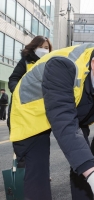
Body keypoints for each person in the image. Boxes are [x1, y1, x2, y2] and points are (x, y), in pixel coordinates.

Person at [9, 37, 94, 200]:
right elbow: (63, 120)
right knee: (37, 173)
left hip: (72, 111)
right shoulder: (62, 65)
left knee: (85, 161)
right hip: (30, 114)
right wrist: (91, 173)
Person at [8, 36, 52, 169]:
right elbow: (13, 80)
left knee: (41, 146)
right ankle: (23, 173)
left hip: (41, 114)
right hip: (22, 112)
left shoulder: (51, 64)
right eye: (41, 47)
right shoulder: (25, 62)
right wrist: (21, 94)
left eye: (46, 48)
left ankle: (41, 174)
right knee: (23, 145)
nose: (44, 50)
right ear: (33, 47)